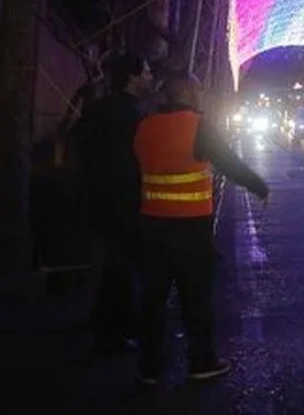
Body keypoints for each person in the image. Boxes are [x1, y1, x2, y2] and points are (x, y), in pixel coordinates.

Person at [134, 73, 269, 385]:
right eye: (197, 90)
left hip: (151, 225)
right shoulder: (197, 126)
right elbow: (229, 164)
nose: (202, 96)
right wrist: (259, 186)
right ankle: (201, 360)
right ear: (186, 93)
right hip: (190, 228)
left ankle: (149, 368)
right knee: (195, 297)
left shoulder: (143, 126)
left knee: (153, 298)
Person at [77, 51, 153, 354]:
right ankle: (115, 330)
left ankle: (106, 323)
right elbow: (131, 164)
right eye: (145, 72)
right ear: (132, 77)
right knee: (121, 267)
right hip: (122, 202)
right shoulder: (130, 117)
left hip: (98, 199)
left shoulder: (100, 109)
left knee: (113, 264)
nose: (149, 77)